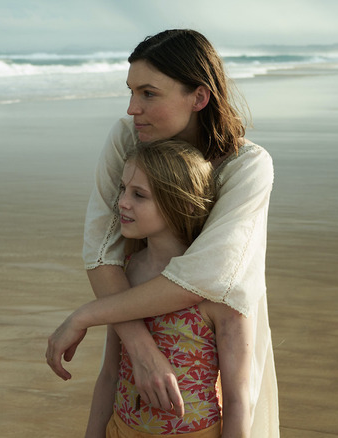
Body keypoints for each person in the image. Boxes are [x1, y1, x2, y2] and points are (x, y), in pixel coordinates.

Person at [46, 29, 279, 436]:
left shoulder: (247, 166)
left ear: (199, 97)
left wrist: (88, 314)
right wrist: (140, 348)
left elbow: (209, 275)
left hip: (213, 331)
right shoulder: (127, 137)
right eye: (131, 91)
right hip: (132, 309)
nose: (133, 108)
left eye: (149, 93)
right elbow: (102, 249)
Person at [86, 140, 251, 437]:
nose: (122, 201)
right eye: (123, 189)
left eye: (139, 195)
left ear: (184, 203)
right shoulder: (124, 271)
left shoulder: (218, 290)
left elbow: (238, 400)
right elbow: (110, 374)